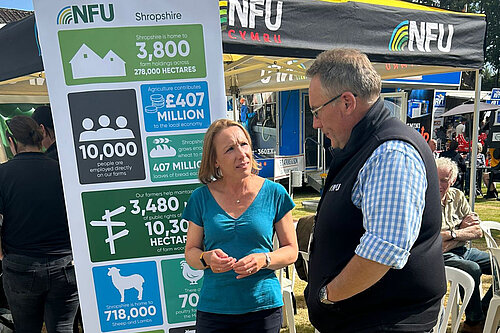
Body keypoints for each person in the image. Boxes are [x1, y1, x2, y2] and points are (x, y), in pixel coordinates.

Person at [304, 48, 445, 332]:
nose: (316, 123)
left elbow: (382, 252)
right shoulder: (365, 144)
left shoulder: (391, 152)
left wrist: (326, 296)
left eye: (317, 111)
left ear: (346, 102)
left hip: (384, 322)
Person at [183, 119, 298, 333]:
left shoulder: (275, 193)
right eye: (229, 149)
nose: (241, 154)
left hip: (263, 308)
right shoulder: (200, 198)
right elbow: (190, 253)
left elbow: (291, 251)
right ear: (215, 160)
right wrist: (205, 259)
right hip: (214, 310)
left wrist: (264, 259)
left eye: (244, 144)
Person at [0, 116, 79, 332]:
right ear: (41, 134)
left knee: (26, 329)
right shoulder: (64, 172)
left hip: (21, 266)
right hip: (66, 265)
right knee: (63, 328)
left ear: (11, 140)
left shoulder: (3, 174)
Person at [437, 157, 491, 333]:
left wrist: (452, 234)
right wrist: (460, 230)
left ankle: (485, 309)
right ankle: (474, 323)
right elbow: (434, 241)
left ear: (452, 180)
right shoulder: (425, 200)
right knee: (472, 268)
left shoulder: (457, 196)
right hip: (439, 257)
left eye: (444, 180)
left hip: (461, 250)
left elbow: (478, 232)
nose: (439, 184)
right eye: (435, 178)